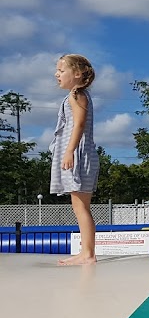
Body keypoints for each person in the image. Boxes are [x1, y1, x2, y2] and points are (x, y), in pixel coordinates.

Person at [50, 54, 100, 266]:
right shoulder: (79, 95)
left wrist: (69, 151)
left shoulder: (76, 94)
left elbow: (78, 124)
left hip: (79, 155)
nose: (57, 74)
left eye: (61, 71)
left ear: (77, 74)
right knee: (80, 206)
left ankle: (88, 254)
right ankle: (86, 251)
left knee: (80, 206)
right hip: (82, 153)